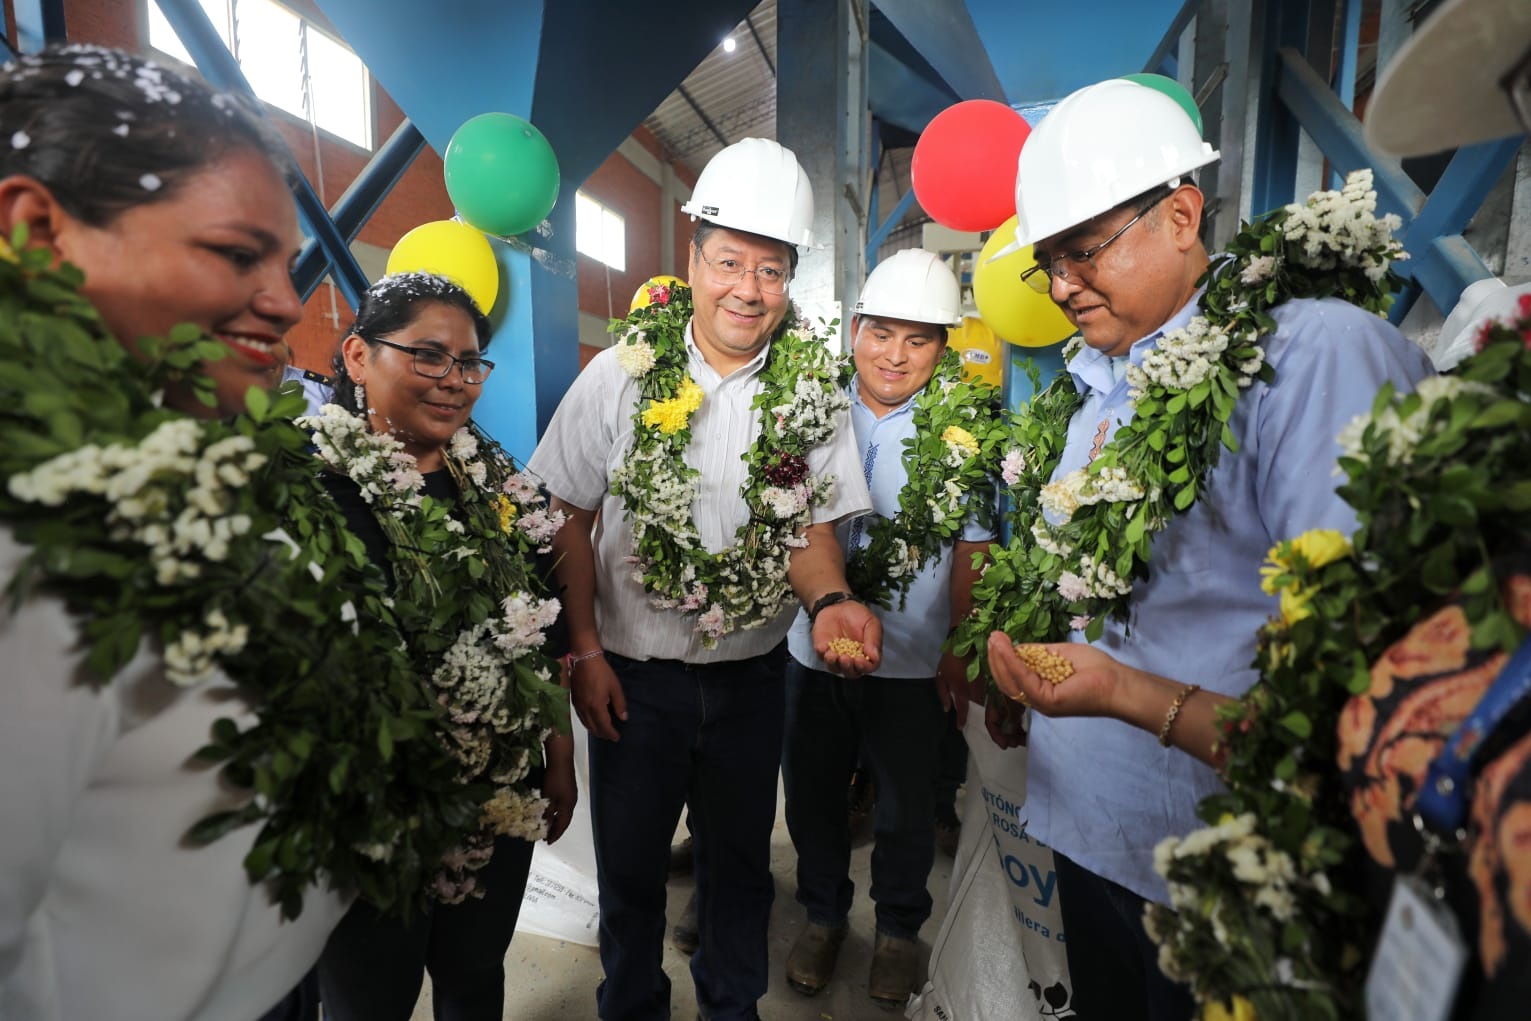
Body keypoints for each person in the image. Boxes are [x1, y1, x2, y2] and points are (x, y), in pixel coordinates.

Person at [0, 44, 467, 1021]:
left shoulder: (177, 462)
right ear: (38, 232)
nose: (286, 302)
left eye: (285, 261)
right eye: (234, 252)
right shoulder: (31, 544)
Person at [978, 78, 1435, 1021]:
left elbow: (1366, 700)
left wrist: (1120, 691)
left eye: (1083, 251)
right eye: (1047, 263)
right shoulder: (1090, 381)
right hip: (1087, 829)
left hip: (1216, 861)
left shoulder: (1305, 359)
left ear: (1181, 216)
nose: (1060, 286)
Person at [528, 136, 876, 1021]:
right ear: (692, 261)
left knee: (739, 870)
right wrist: (583, 649)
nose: (746, 290)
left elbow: (811, 528)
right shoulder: (618, 375)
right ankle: (631, 1004)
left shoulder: (813, 395)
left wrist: (832, 599)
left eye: (770, 269)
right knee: (631, 872)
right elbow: (565, 512)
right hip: (632, 681)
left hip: (752, 680)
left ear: (790, 277)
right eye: (728, 263)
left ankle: (731, 1006)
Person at [308, 272, 576, 1021]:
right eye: (428, 355)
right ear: (358, 355)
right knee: (371, 999)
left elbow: (541, 633)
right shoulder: (310, 485)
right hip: (372, 814)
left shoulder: (500, 485)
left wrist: (558, 754)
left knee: (473, 973)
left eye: (468, 362)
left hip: (498, 792)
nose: (454, 380)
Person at [779, 249, 992, 1007]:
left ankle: (899, 931)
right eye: (881, 333)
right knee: (811, 796)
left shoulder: (967, 431)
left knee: (905, 809)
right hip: (809, 650)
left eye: (917, 339)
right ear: (855, 331)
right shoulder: (809, 410)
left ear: (941, 346)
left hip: (910, 659)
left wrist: (959, 649)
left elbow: (973, 548)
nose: (894, 355)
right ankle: (823, 915)